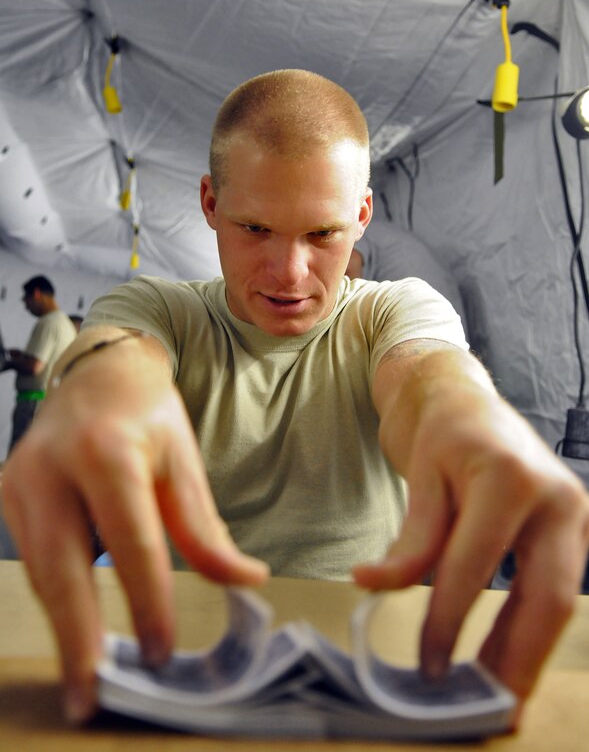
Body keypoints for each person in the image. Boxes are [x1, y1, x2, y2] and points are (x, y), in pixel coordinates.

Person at [2, 70, 588, 727]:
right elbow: (122, 349)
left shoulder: (393, 310)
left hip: (369, 668)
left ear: (362, 215)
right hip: (185, 666)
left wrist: (471, 423)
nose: (289, 273)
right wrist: (103, 392)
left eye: (322, 235)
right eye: (254, 228)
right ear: (208, 202)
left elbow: (427, 374)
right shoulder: (157, 307)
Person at [346, 225, 469, 334]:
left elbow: (349, 265)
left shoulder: (353, 234)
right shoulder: (381, 233)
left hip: (421, 325)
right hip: (450, 331)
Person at [1, 275, 77, 452]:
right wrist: (21, 355)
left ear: (36, 294)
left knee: (19, 463)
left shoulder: (48, 323)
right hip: (48, 404)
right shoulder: (65, 324)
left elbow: (34, 366)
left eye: (25, 299)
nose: (25, 306)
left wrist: (9, 362)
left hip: (33, 406)